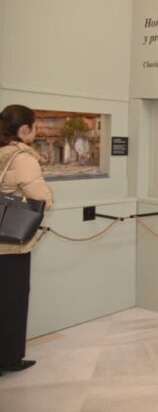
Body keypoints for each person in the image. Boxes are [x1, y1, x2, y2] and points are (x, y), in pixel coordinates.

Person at [0, 104, 54, 376]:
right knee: (13, 301)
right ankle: (9, 358)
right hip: (10, 244)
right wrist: (51, 198)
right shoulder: (22, 158)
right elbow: (41, 197)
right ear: (24, 129)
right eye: (34, 126)